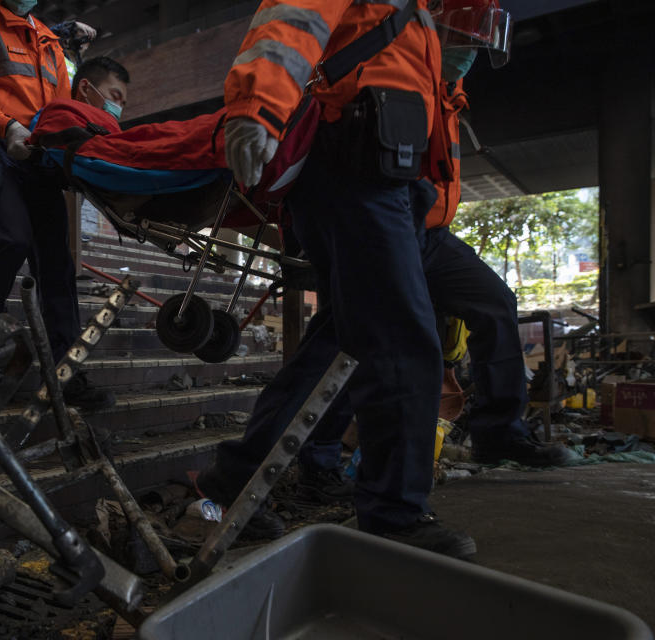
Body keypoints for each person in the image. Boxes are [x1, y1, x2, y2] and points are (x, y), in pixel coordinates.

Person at [197, 0, 478, 560]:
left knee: (344, 344)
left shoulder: (419, 12)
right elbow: (292, 18)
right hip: (357, 164)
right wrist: (258, 106)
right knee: (400, 340)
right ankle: (393, 514)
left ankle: (237, 474)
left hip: (384, 171)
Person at [292, 0, 571, 510]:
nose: (468, 54)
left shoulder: (448, 96)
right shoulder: (387, 65)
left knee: (495, 303)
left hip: (427, 234)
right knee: (349, 343)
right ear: (432, 30)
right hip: (377, 227)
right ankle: (316, 462)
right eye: (462, 41)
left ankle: (499, 430)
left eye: (476, 46)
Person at [0, 1, 123, 410]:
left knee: (56, 263)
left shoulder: (49, 42)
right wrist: (6, 126)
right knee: (11, 241)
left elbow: (60, 107)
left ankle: (66, 372)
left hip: (37, 157)